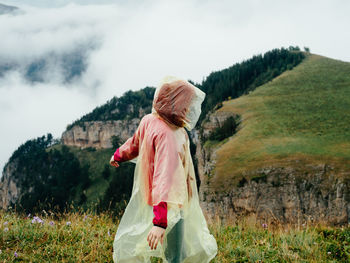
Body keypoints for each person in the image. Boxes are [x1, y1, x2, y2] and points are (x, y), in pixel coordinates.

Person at [110, 76, 217, 263]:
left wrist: (119, 154)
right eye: (187, 105)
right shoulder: (169, 135)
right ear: (177, 104)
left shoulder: (149, 120)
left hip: (156, 198)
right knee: (175, 254)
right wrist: (160, 221)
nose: (189, 110)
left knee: (159, 243)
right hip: (171, 202)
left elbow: (135, 144)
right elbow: (164, 178)